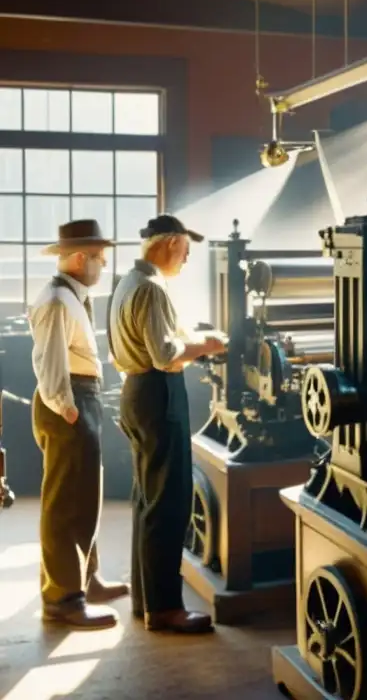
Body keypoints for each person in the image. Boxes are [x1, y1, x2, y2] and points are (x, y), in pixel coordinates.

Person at [108, 214, 226, 634]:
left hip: (135, 393)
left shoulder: (126, 283)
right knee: (170, 502)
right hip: (158, 393)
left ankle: (147, 600)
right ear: (172, 242)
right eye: (186, 249)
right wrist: (208, 344)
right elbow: (165, 353)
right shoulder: (153, 288)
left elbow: (150, 339)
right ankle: (165, 609)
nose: (188, 257)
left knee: (147, 499)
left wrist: (190, 335)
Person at [29, 219, 130, 629]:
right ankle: (63, 598)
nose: (102, 264)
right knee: (65, 502)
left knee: (86, 493)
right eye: (97, 257)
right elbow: (48, 363)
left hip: (81, 398)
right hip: (67, 402)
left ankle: (86, 580)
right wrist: (68, 409)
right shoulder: (56, 300)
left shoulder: (73, 296)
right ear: (76, 258)